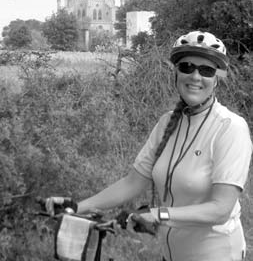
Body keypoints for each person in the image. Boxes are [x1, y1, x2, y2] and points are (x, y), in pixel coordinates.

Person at [46, 31, 252, 261]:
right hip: (170, 254)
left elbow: (220, 209)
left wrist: (159, 214)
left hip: (215, 254)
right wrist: (76, 207)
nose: (195, 76)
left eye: (206, 70)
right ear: (176, 73)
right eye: (187, 67)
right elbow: (133, 182)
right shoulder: (167, 123)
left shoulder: (230, 127)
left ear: (216, 79)